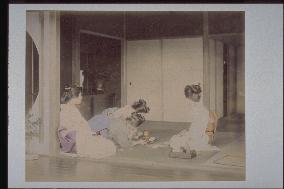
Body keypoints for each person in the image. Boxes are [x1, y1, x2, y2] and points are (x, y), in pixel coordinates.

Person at [58, 85, 116, 159]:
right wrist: (88, 133)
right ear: (74, 97)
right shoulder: (66, 109)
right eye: (80, 95)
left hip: (80, 133)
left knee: (107, 143)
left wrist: (88, 132)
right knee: (106, 146)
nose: (81, 97)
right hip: (74, 139)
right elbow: (68, 129)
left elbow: (80, 124)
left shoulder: (71, 108)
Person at [169, 83, 219, 155]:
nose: (199, 95)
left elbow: (210, 123)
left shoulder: (203, 109)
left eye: (198, 94)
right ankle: (185, 145)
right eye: (196, 94)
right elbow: (194, 124)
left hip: (202, 135)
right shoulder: (195, 106)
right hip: (195, 132)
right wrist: (187, 132)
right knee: (174, 139)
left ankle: (186, 146)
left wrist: (210, 134)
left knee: (184, 142)